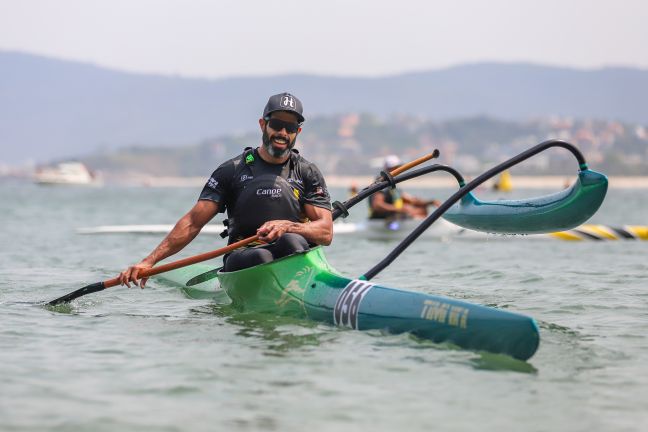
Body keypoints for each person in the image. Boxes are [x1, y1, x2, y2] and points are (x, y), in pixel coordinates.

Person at [119, 92, 333, 288]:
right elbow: (193, 222)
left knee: (291, 241)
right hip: (244, 255)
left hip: (293, 255)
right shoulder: (232, 170)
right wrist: (149, 261)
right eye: (276, 124)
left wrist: (288, 226)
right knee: (260, 258)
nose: (283, 133)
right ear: (262, 124)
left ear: (298, 131)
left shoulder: (306, 172)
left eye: (291, 128)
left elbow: (325, 232)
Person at [368, 155, 439, 220]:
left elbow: (411, 200)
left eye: (399, 167)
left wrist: (430, 202)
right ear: (389, 169)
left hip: (393, 217)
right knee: (410, 209)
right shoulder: (381, 183)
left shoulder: (392, 185)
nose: (400, 170)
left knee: (422, 208)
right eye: (396, 168)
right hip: (379, 220)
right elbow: (377, 205)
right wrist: (400, 209)